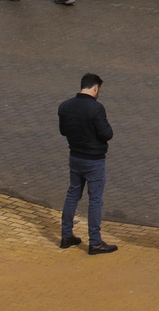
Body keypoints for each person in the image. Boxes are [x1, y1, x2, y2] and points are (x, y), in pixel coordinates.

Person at [58, 73, 115, 255]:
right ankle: (95, 242)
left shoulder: (65, 106)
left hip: (75, 157)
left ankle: (66, 235)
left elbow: (63, 131)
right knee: (95, 200)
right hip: (94, 161)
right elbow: (107, 134)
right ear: (95, 88)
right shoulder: (96, 108)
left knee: (72, 194)